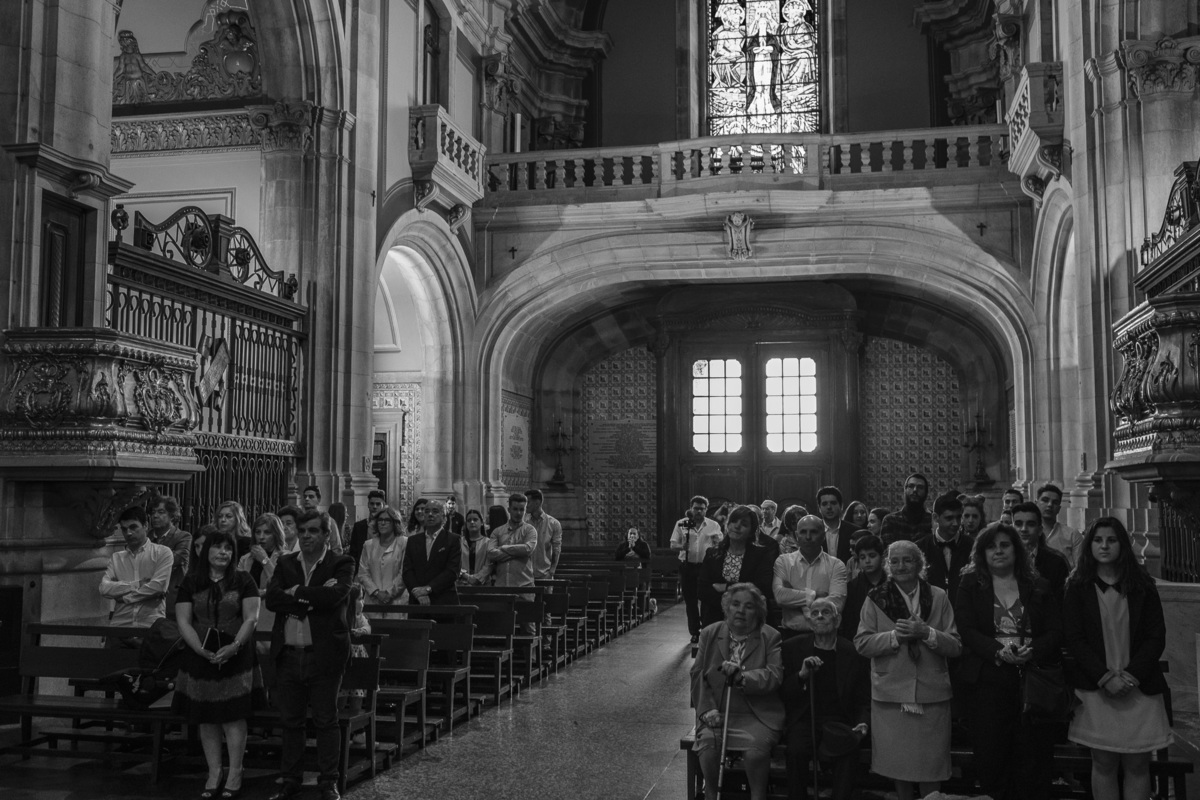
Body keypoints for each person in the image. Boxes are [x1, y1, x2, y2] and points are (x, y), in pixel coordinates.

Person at [1064, 517, 1172, 800]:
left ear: (1122, 545)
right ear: (1089, 546)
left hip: (1139, 687)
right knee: (1103, 762)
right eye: (1098, 540)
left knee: (1138, 763)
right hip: (1098, 688)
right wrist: (1106, 677)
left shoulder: (1142, 585)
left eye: (1111, 540)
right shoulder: (1077, 586)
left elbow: (1155, 636)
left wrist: (1131, 675)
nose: (1104, 546)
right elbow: (1074, 639)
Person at [955, 523, 1062, 800]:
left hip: (1030, 681)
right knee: (992, 759)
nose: (998, 551)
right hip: (988, 681)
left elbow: (1055, 630)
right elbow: (966, 630)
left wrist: (1033, 650)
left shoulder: (1038, 585)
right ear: (981, 552)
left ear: (1016, 549)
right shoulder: (970, 584)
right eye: (991, 546)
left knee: (1031, 760)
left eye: (1005, 545)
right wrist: (996, 651)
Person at [854, 539, 961, 800]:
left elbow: (956, 646)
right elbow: (862, 643)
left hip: (931, 692)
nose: (901, 565)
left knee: (930, 766)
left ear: (920, 563)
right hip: (891, 694)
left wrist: (927, 632)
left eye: (908, 559)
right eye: (894, 561)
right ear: (888, 565)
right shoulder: (876, 598)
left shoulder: (938, 596)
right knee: (898, 766)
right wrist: (893, 637)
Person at [265, 510, 355, 800]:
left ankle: (328, 781)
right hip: (289, 653)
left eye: (312, 531)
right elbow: (273, 600)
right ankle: (290, 778)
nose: (305, 536)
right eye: (302, 531)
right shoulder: (286, 562)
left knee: (325, 719)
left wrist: (298, 594)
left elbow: (336, 596)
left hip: (324, 654)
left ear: (326, 535)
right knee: (291, 721)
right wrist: (312, 596)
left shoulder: (341, 563)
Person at [174, 530, 261, 799]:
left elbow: (251, 618)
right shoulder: (192, 581)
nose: (223, 552)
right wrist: (199, 649)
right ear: (205, 551)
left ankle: (235, 770)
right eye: (217, 547)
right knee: (206, 716)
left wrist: (234, 646)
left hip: (235, 654)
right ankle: (214, 771)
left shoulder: (243, 579)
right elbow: (183, 621)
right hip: (200, 655)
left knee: (233, 716)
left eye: (228, 548)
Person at [691, 583, 784, 800]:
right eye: (735, 604)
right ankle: (711, 795)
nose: (741, 610)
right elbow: (697, 675)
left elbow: (774, 675)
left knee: (754, 753)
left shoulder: (770, 636)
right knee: (708, 747)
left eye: (748, 606)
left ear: (758, 611)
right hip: (717, 715)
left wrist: (743, 677)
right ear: (727, 607)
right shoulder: (710, 633)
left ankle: (758, 796)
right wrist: (707, 710)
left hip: (757, 716)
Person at [781, 597, 870, 800]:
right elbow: (783, 692)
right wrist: (801, 675)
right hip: (805, 718)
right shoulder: (791, 648)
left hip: (839, 719)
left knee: (849, 750)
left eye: (826, 612)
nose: (819, 616)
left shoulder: (853, 652)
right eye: (815, 613)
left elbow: (862, 697)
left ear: (837, 621)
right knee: (795, 751)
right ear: (810, 623)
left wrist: (862, 722)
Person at [698, 505, 775, 627]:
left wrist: (725, 587)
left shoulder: (761, 554)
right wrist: (729, 607)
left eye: (744, 524)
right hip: (714, 618)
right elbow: (702, 588)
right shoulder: (712, 553)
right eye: (733, 521)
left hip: (748, 619)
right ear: (727, 525)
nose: (737, 526)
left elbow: (762, 586)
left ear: (751, 531)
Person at [100, 506, 174, 630]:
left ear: (145, 526)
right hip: (120, 626)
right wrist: (136, 584)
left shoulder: (162, 552)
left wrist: (125, 598)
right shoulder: (116, 558)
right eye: (124, 529)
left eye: (133, 527)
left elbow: (158, 587)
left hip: (150, 626)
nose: (128, 533)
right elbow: (104, 588)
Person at [773, 514, 848, 636]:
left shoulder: (836, 565)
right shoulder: (783, 561)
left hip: (827, 635)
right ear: (797, 536)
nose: (808, 537)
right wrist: (815, 595)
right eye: (803, 532)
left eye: (813, 532)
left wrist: (797, 600)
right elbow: (780, 596)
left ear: (823, 536)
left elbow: (837, 603)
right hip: (791, 634)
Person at [669, 495, 724, 645]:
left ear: (706, 510)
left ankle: (706, 629)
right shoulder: (681, 524)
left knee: (706, 599)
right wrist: (682, 547)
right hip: (688, 566)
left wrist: (717, 542)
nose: (699, 511)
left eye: (702, 508)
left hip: (707, 568)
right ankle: (694, 632)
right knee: (691, 601)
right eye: (696, 508)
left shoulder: (713, 525)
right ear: (691, 509)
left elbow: (722, 544)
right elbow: (673, 545)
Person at [915, 490, 973, 602]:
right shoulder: (920, 547)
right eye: (949, 518)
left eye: (958, 517)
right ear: (936, 518)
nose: (956, 523)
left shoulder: (972, 546)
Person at [238, 513, 286, 645]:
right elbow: (238, 586)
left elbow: (283, 585)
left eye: (267, 532)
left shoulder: (286, 557)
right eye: (258, 532)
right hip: (248, 615)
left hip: (271, 615)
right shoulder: (246, 559)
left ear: (276, 534)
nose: (261, 537)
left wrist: (264, 560)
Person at [402, 500, 461, 605]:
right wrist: (418, 592)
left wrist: (428, 589)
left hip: (443, 600)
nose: (430, 514)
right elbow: (407, 570)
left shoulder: (453, 540)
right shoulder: (413, 540)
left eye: (435, 511)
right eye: (427, 511)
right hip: (417, 600)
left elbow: (452, 571)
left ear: (444, 517)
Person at [357, 505, 408, 617]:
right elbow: (363, 573)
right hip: (373, 601)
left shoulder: (404, 543)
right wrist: (376, 592)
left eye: (387, 520)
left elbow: (404, 572)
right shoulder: (368, 545)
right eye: (380, 520)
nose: (382, 523)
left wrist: (389, 593)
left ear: (395, 522)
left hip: (397, 602)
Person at [1011, 501, 1070, 593]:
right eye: (1018, 524)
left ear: (1039, 530)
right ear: (1011, 529)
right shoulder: (1002, 559)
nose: (1024, 529)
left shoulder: (1057, 562)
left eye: (1030, 524)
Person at [487, 492, 538, 597]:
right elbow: (491, 553)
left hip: (524, 588)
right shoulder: (498, 531)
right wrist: (517, 552)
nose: (518, 513)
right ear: (509, 509)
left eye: (522, 509)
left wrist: (503, 548)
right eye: (515, 509)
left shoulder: (530, 530)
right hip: (501, 588)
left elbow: (527, 549)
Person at [147, 494, 192, 611]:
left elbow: (176, 559)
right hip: (147, 596)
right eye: (153, 512)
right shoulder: (146, 537)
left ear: (172, 516)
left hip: (172, 597)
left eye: (161, 512)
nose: (155, 516)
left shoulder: (183, 537)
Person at [840, 534, 886, 640]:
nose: (867, 561)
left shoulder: (892, 584)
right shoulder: (851, 587)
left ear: (881, 557)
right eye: (862, 557)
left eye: (872, 556)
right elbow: (849, 622)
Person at [1038, 483, 1083, 568]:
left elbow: (1080, 568)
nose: (1050, 505)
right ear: (1036, 503)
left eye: (1055, 502)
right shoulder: (1028, 533)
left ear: (1059, 508)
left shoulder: (1072, 535)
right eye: (1045, 500)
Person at [880, 473, 932, 544]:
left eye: (920, 487)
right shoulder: (890, 520)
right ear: (905, 490)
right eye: (911, 486)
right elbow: (888, 552)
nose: (915, 490)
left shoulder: (932, 520)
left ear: (926, 493)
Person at [345, 490, 385, 574]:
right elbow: (353, 551)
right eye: (372, 503)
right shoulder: (359, 526)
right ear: (368, 505)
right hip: (362, 568)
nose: (374, 506)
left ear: (383, 505)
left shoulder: (387, 526)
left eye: (378, 504)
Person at [526, 488, 563, 579]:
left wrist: (551, 572)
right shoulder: (524, 522)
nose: (525, 505)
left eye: (528, 502)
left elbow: (556, 549)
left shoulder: (553, 523)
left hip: (544, 574)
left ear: (537, 503)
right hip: (526, 575)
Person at [815, 486, 857, 565]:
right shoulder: (814, 531)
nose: (829, 507)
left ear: (841, 506)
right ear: (819, 508)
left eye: (833, 503)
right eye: (824, 504)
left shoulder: (853, 531)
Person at [459, 509, 493, 585]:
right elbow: (454, 563)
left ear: (481, 522)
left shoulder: (488, 542)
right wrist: (466, 577)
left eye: (475, 520)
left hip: (482, 585)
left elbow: (489, 565)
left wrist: (476, 578)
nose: (472, 522)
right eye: (469, 520)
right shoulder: (459, 542)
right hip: (462, 583)